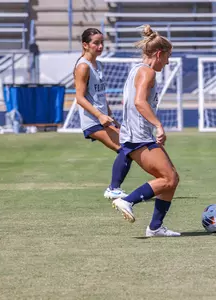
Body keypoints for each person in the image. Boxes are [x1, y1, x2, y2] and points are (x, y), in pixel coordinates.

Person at [111, 25, 181, 237]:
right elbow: (140, 102)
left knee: (171, 178)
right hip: (139, 137)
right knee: (168, 179)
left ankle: (156, 227)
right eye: (167, 57)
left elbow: (129, 101)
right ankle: (127, 200)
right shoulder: (148, 72)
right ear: (158, 54)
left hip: (136, 135)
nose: (168, 62)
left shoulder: (136, 70)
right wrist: (158, 125)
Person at [73, 28, 132, 199]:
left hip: (103, 118)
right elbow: (79, 98)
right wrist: (99, 115)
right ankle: (113, 188)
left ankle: (115, 188)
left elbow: (100, 96)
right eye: (96, 43)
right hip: (92, 120)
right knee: (126, 147)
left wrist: (111, 117)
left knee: (128, 146)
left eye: (102, 43)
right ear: (85, 45)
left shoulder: (98, 64)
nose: (100, 46)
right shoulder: (83, 66)